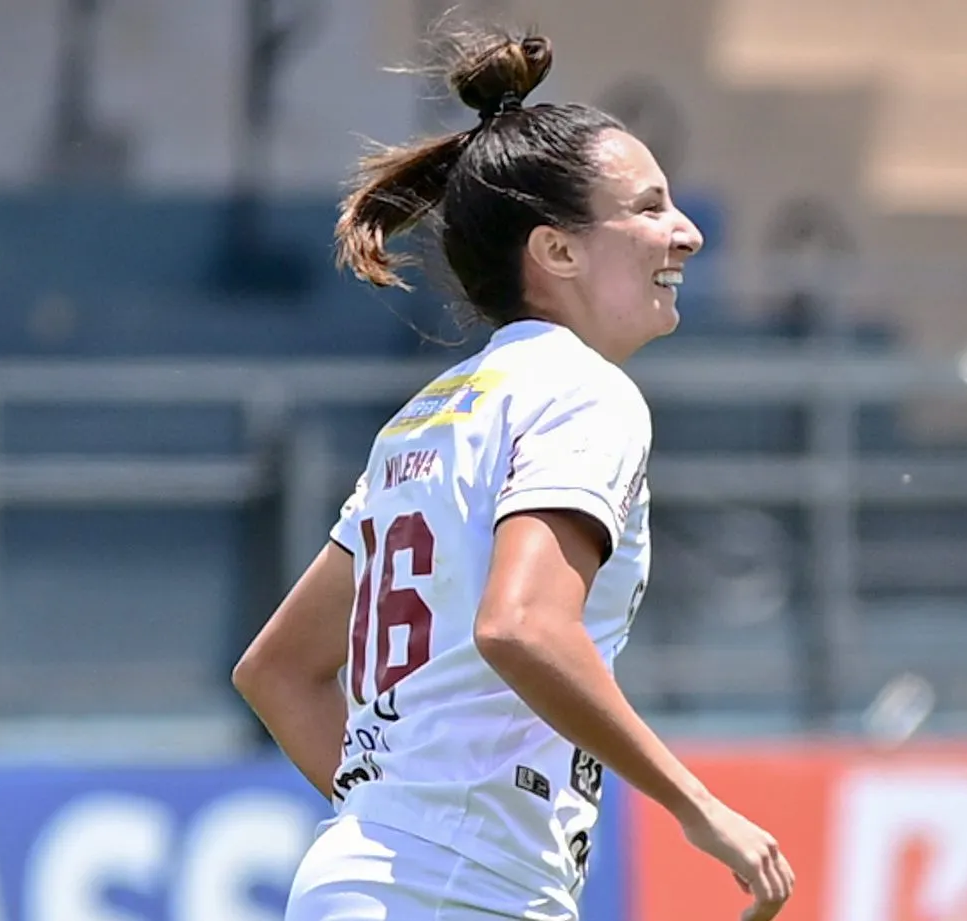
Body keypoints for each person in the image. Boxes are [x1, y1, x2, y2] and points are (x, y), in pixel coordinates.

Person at [232, 25, 795, 921]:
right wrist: (703, 809)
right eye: (649, 208)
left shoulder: (426, 414)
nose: (684, 233)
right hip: (460, 893)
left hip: (356, 879)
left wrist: (391, 824)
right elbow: (524, 626)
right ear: (557, 251)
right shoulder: (584, 393)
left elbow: (278, 670)